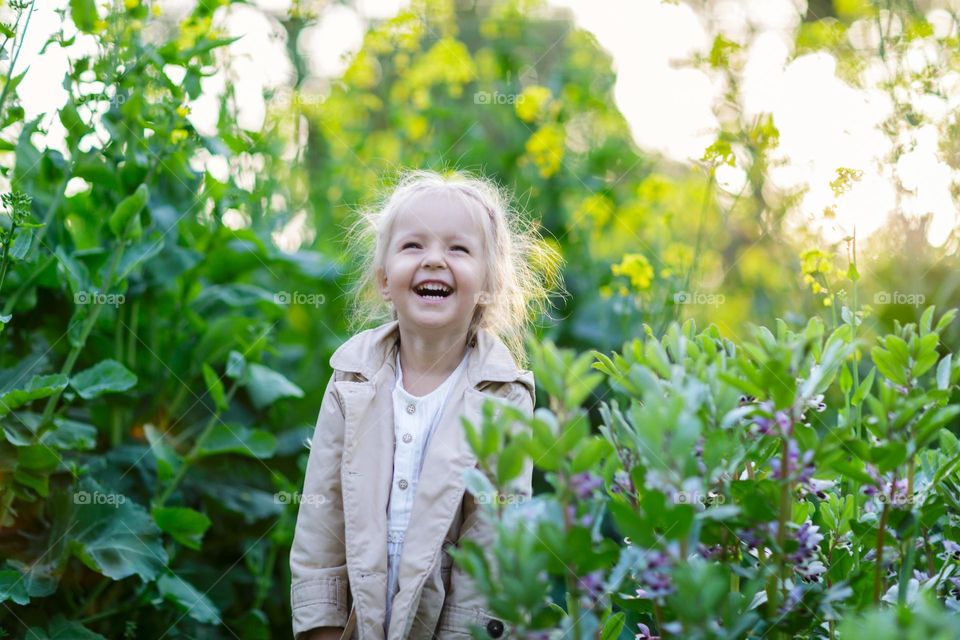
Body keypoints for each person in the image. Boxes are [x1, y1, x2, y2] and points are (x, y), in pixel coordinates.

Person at [289, 169, 564, 640]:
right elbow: (320, 522)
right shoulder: (350, 380)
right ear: (384, 281)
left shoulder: (503, 396)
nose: (434, 260)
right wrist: (322, 627)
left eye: (458, 249)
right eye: (413, 246)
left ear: (490, 284)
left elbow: (491, 550)